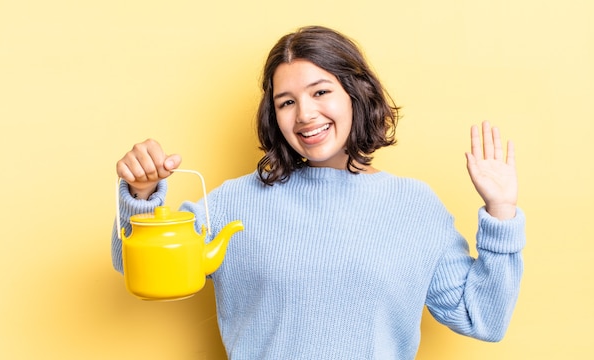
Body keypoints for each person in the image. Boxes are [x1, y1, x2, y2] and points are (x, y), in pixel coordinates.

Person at [113, 25, 525, 359]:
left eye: (321, 91)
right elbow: (133, 264)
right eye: (286, 102)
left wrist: (501, 211)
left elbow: (482, 319)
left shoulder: (414, 207)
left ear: (355, 94)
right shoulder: (235, 202)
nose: (305, 114)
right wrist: (142, 193)